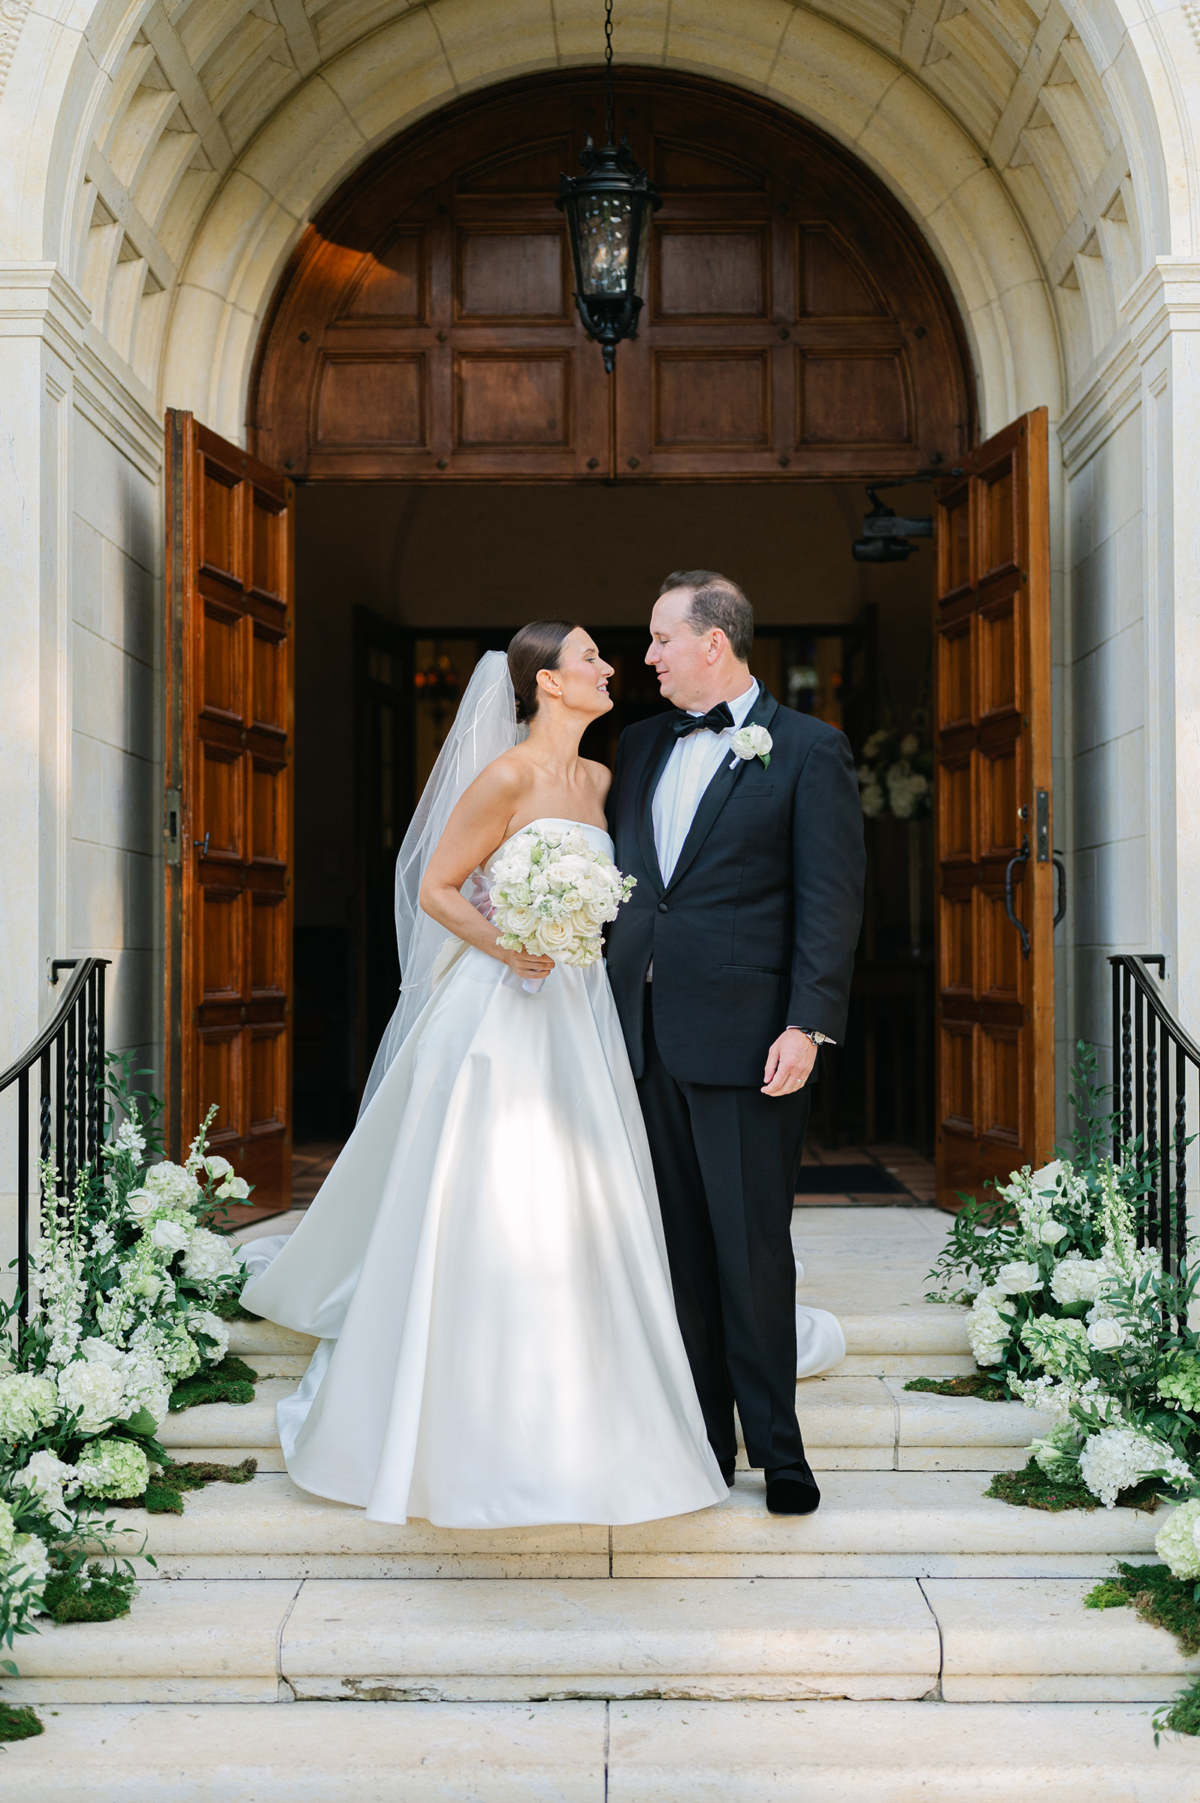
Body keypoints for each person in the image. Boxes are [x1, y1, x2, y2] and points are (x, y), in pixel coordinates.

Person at [239, 625, 729, 1528]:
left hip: (579, 1015)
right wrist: (515, 944)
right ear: (547, 680)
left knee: (588, 1191)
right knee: (492, 1191)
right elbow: (436, 886)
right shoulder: (504, 776)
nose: (608, 667)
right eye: (589, 657)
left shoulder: (603, 781)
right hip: (500, 1010)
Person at [604, 572, 865, 1516]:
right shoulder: (637, 746)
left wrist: (808, 1022)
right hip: (641, 1039)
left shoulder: (808, 750)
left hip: (753, 1041)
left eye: (660, 638)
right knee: (677, 1250)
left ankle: (781, 1454)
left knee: (752, 1247)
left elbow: (828, 903)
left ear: (714, 642)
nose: (648, 656)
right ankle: (706, 1443)